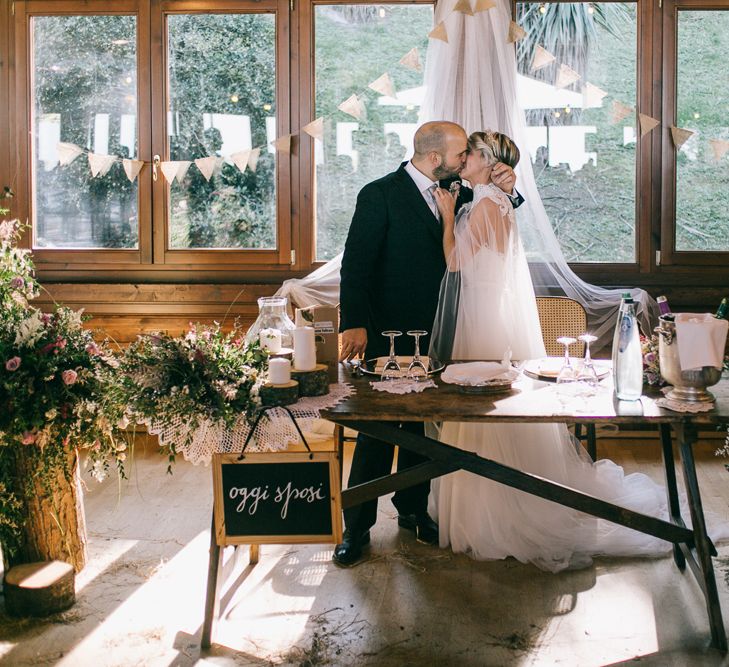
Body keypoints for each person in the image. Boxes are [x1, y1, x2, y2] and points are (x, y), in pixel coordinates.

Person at [429, 130, 711, 571]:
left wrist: (448, 217)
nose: (463, 159)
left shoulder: (485, 203)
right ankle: (497, 501)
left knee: (481, 410)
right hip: (488, 311)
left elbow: (455, 263)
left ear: (489, 160)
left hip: (481, 316)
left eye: (471, 153)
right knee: (490, 412)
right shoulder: (497, 200)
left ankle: (492, 515)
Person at [334, 121, 520, 567]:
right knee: (377, 432)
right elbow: (355, 265)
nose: (463, 161)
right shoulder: (379, 194)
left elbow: (493, 218)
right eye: (459, 154)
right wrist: (355, 324)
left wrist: (511, 188)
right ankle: (355, 529)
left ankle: (413, 511)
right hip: (388, 333)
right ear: (436, 158)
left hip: (441, 333)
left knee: (424, 429)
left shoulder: (458, 185)